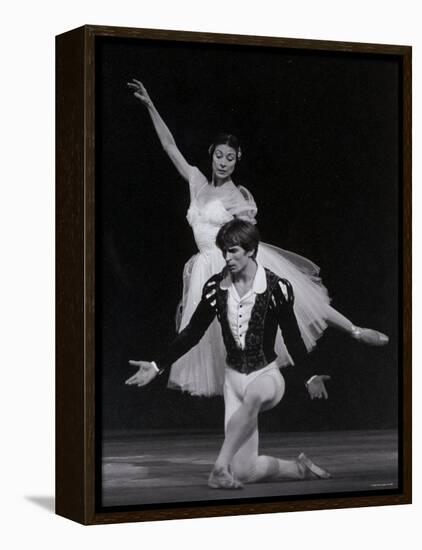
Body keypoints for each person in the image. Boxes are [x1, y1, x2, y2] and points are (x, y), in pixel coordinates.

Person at [126, 79, 389, 397]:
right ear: (211, 154)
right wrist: (151, 105)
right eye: (219, 155)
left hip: (232, 259)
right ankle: (242, 412)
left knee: (299, 303)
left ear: (237, 160)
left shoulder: (237, 197)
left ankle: (354, 329)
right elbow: (170, 146)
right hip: (204, 265)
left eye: (230, 158)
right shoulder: (196, 180)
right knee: (206, 337)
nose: (223, 162)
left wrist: (243, 250)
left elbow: (247, 234)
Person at [126, 219, 332, 489]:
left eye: (233, 250)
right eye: (224, 250)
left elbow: (292, 336)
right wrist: (156, 365)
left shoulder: (277, 288)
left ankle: (218, 468)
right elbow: (192, 332)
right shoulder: (215, 288)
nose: (227, 257)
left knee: (255, 396)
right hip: (233, 381)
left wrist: (310, 375)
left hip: (266, 376)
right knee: (246, 471)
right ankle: (298, 469)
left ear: (251, 250)